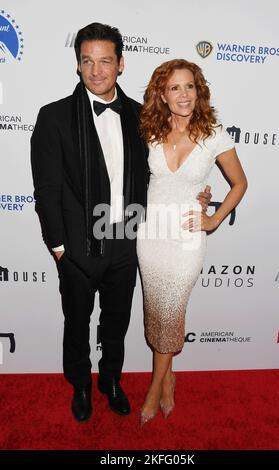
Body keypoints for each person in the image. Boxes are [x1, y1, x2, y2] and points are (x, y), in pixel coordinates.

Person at [30, 24, 212, 422]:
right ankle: (80, 384)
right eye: (87, 61)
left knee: (116, 322)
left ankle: (110, 381)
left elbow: (167, 171)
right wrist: (59, 247)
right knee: (77, 323)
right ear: (78, 65)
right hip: (77, 247)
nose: (96, 71)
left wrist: (199, 192)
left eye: (105, 61)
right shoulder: (54, 117)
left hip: (128, 242)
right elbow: (46, 190)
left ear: (121, 64)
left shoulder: (139, 116)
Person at [137, 59, 247, 426]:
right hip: (151, 235)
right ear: (162, 95)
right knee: (155, 310)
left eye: (189, 86)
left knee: (171, 310)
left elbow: (240, 183)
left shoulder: (213, 133)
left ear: (198, 90)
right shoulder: (149, 128)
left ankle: (154, 389)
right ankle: (169, 378)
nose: (183, 95)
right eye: (174, 88)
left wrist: (213, 218)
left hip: (187, 238)